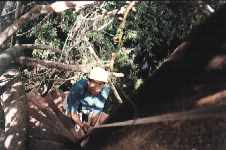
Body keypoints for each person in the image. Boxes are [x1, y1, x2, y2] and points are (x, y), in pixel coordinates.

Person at [65, 67, 111, 134]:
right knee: (69, 123)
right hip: (73, 106)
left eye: (100, 84)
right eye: (94, 83)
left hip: (87, 109)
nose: (97, 88)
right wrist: (82, 125)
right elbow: (73, 113)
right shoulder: (78, 88)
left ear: (103, 84)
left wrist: (91, 126)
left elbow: (97, 111)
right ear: (88, 82)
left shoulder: (105, 91)